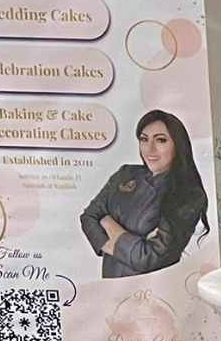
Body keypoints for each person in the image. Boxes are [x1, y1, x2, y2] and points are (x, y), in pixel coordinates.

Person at [79, 109, 211, 278]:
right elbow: (88, 217)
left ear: (178, 144)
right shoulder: (126, 174)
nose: (150, 148)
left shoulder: (188, 195)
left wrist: (108, 223)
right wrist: (134, 244)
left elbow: (150, 258)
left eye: (160, 140)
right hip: (110, 285)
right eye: (144, 139)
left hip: (154, 288)